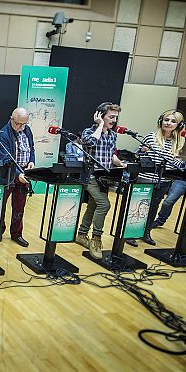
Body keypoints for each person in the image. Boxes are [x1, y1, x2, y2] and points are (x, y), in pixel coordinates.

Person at [127, 110, 186, 247]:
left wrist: (184, 164)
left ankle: (146, 232)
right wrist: (142, 152)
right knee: (140, 207)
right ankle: (131, 233)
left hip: (163, 180)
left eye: (172, 121)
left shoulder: (177, 142)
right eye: (166, 120)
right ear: (161, 121)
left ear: (178, 125)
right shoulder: (151, 137)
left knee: (153, 208)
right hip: (146, 178)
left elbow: (172, 160)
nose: (168, 123)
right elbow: (138, 155)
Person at [77, 102, 127, 259]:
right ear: (100, 116)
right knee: (104, 204)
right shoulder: (88, 131)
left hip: (104, 178)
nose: (113, 121)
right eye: (110, 117)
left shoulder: (112, 135)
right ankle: (96, 239)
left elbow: (111, 154)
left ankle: (82, 234)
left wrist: (120, 163)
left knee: (93, 205)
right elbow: (90, 143)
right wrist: (99, 126)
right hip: (90, 176)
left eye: (115, 118)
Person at [0, 108, 35, 247]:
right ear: (11, 119)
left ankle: (17, 234)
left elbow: (32, 148)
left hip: (24, 172)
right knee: (1, 206)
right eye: (18, 124)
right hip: (9, 175)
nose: (21, 127)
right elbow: (6, 158)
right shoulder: (3, 134)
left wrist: (32, 161)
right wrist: (18, 174)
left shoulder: (27, 130)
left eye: (24, 124)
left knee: (19, 207)